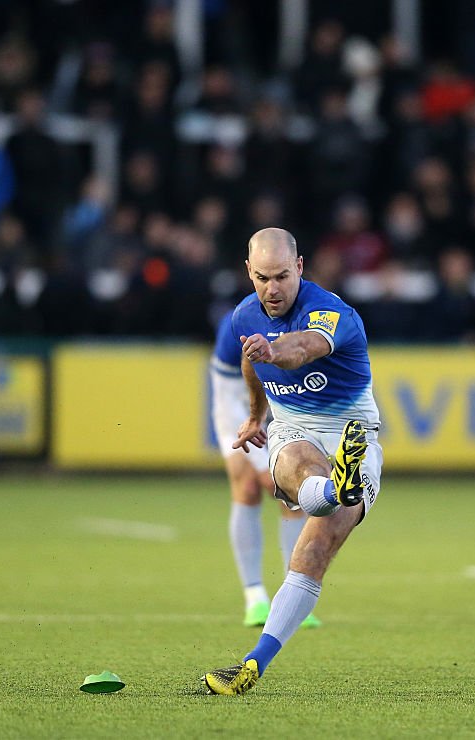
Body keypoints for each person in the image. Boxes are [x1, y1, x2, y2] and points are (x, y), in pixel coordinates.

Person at [202, 227, 382, 696]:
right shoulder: (244, 315)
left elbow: (302, 348)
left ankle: (336, 488)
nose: (273, 289)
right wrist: (255, 414)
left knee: (312, 555)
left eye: (282, 276)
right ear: (248, 272)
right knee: (302, 467)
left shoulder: (332, 312)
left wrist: (271, 351)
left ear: (300, 267)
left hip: (353, 434)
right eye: (262, 278)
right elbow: (250, 360)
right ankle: (249, 668)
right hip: (293, 429)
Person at [209, 311, 321, 629]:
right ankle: (254, 597)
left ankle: (293, 595)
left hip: (283, 391)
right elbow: (235, 381)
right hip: (236, 394)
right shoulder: (240, 319)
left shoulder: (312, 313)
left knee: (292, 491)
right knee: (251, 484)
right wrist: (253, 416)